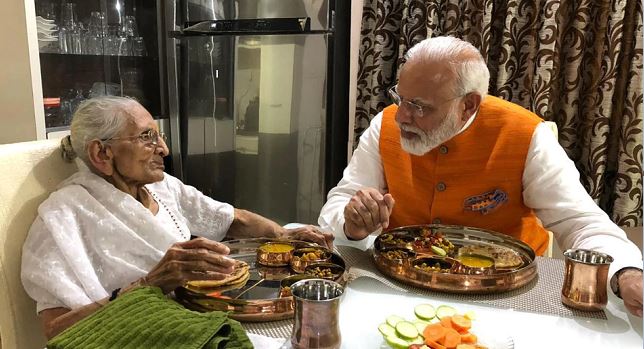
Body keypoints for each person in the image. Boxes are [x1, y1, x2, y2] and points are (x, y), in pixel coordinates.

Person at [318, 36, 643, 317]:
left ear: (469, 105)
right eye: (400, 98)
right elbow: (338, 206)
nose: (402, 116)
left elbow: (583, 224)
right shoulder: (385, 125)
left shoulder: (526, 135)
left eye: (420, 106)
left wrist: (627, 274)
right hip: (398, 287)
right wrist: (353, 225)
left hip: (508, 299)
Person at [21, 96, 334, 339]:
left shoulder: (163, 188)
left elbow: (229, 218)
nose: (164, 149)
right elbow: (57, 331)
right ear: (102, 154)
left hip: (198, 319)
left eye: (160, 136)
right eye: (147, 137)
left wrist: (281, 235)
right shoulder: (62, 217)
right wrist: (150, 284)